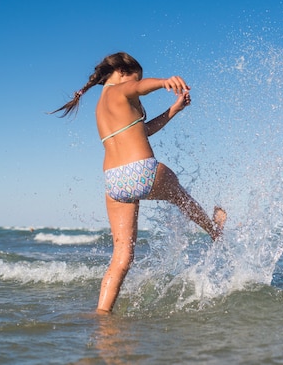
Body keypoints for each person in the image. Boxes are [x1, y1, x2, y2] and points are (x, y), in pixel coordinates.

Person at [51, 52, 226, 313]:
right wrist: (164, 81)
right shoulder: (122, 88)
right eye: (137, 76)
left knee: (121, 256)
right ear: (121, 71)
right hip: (143, 170)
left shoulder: (102, 106)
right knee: (181, 197)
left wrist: (172, 111)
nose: (137, 83)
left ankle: (102, 313)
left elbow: (141, 130)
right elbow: (138, 88)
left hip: (115, 182)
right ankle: (214, 230)